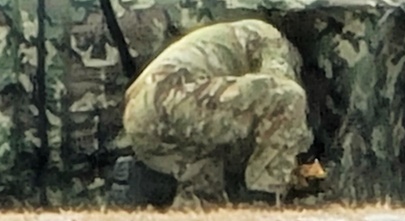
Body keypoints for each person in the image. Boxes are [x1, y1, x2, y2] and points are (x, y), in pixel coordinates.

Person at [122, 18, 323, 208]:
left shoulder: (227, 40)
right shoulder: (270, 37)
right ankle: (263, 205)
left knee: (207, 195)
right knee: (288, 96)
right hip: (175, 95)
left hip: (139, 117)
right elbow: (282, 92)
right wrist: (298, 160)